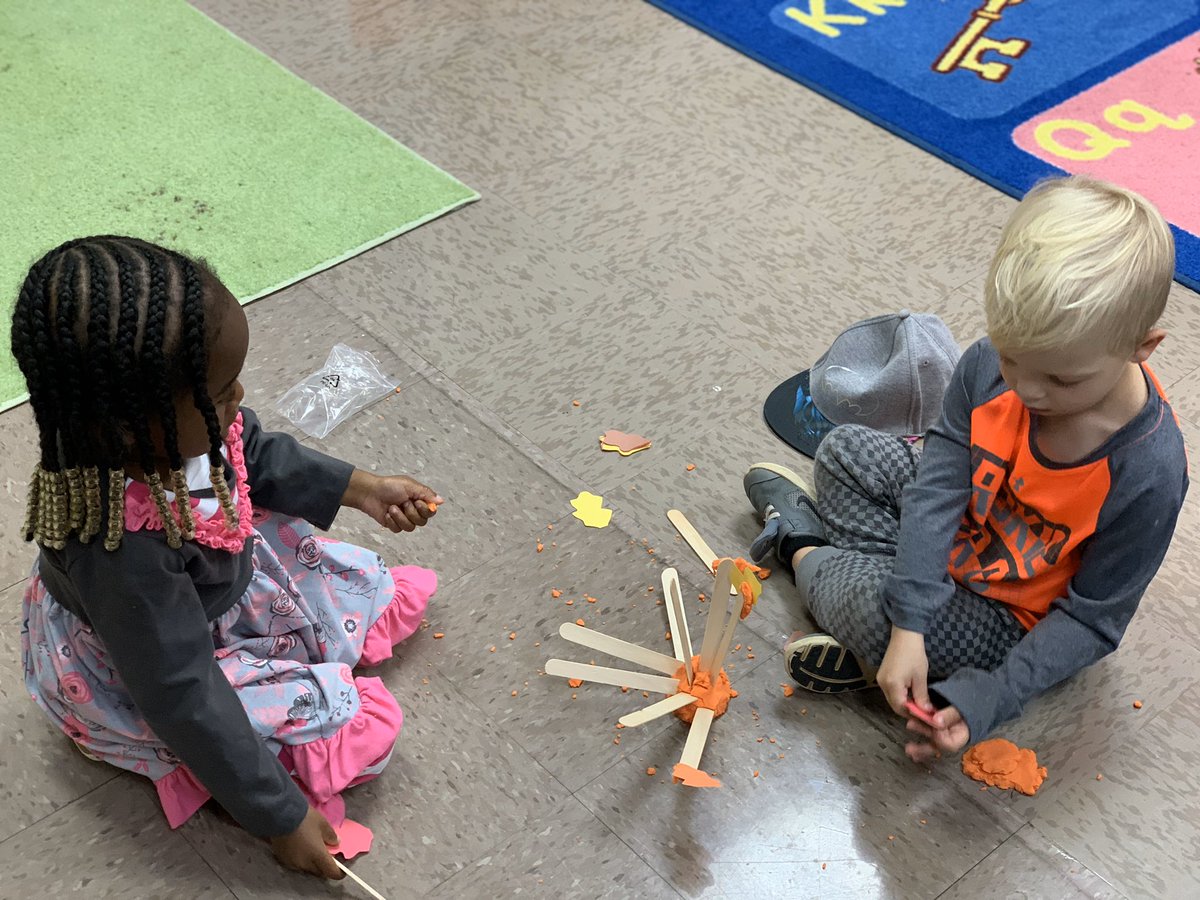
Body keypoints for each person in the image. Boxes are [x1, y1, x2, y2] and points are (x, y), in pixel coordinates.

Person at [12, 236, 442, 880]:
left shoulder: (178, 430)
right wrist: (278, 815)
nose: (238, 394)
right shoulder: (122, 553)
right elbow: (181, 689)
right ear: (134, 424)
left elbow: (257, 453)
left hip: (212, 589)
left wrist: (363, 488)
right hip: (158, 662)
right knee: (340, 733)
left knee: (349, 581)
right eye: (218, 393)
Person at [744, 176, 1187, 762]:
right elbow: (938, 485)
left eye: (1060, 379)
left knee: (877, 616)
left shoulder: (1149, 470)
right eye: (1010, 356)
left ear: (1143, 347)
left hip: (1006, 616)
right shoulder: (986, 365)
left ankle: (801, 544)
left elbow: (1093, 621)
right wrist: (913, 620)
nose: (1024, 388)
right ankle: (886, 630)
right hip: (953, 541)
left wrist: (991, 695)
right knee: (846, 453)